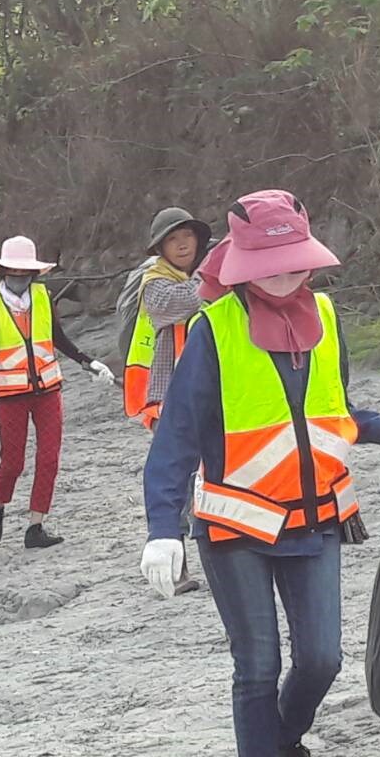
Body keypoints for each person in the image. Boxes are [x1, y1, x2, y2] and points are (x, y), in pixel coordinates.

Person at [140, 189, 380, 757]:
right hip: (235, 529)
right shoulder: (213, 330)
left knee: (323, 657)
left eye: (293, 260)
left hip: (316, 520)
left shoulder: (324, 315)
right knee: (257, 666)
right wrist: (162, 529)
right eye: (269, 263)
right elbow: (177, 437)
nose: (283, 274)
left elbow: (336, 410)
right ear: (241, 263)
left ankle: (285, 736)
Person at [0, 235, 114, 548]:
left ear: (33, 272)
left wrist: (88, 362)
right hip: (11, 394)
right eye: (13, 271)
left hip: (48, 389)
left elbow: (58, 338)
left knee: (49, 459)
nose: (19, 277)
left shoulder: (44, 297)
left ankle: (36, 526)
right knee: (13, 462)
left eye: (25, 272)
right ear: (2, 271)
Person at [124, 207, 214, 593]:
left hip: (211, 391)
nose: (181, 244)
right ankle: (176, 567)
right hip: (167, 395)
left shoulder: (206, 273)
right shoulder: (155, 284)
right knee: (176, 477)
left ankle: (218, 559)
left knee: (209, 476)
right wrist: (216, 275)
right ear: (160, 248)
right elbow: (180, 303)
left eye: (187, 236)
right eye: (172, 239)